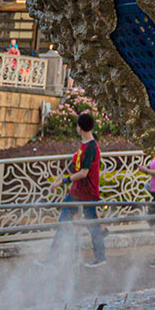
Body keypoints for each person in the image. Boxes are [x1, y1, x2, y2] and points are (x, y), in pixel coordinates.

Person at [51, 112, 106, 267]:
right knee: (64, 221)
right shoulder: (86, 145)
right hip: (77, 192)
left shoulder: (91, 147)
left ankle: (100, 257)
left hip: (87, 192)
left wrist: (62, 181)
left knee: (92, 224)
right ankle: (53, 258)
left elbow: (84, 172)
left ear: (80, 128)